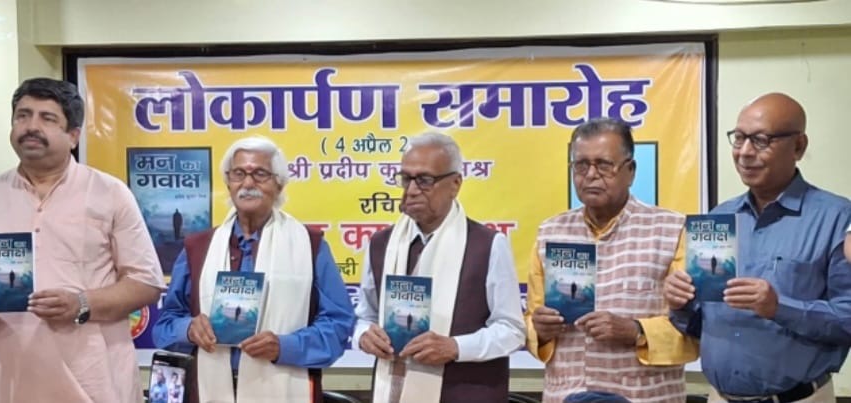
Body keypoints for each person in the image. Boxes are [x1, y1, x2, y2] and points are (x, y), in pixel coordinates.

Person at [0, 78, 164, 402]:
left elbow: (146, 282)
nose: (31, 127)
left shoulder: (109, 193)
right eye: (23, 116)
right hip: (2, 379)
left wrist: (82, 304)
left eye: (47, 118)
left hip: (90, 378)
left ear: (74, 135)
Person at [666, 93, 851, 403]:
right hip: (719, 397)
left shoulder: (838, 218)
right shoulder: (718, 217)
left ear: (798, 146)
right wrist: (680, 304)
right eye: (739, 138)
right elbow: (699, 324)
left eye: (761, 140)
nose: (745, 152)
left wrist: (779, 308)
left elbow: (847, 319)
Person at [153, 136, 355, 403]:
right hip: (208, 389)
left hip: (285, 388)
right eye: (239, 174)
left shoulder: (310, 245)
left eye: (260, 174)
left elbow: (339, 326)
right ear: (228, 182)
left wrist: (284, 347)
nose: (248, 183)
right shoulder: (198, 247)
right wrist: (188, 329)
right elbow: (165, 326)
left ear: (279, 183)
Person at [526, 118, 697, 403]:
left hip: (644, 396)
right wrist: (540, 331)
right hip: (565, 394)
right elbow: (531, 321)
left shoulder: (673, 230)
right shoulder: (550, 232)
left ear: (630, 171)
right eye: (581, 165)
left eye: (604, 165)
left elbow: (695, 331)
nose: (591, 175)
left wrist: (636, 331)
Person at [353, 132, 526, 403]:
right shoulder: (381, 244)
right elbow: (366, 315)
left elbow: (512, 330)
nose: (411, 190)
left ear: (455, 184)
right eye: (406, 179)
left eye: (424, 180)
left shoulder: (488, 245)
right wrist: (364, 335)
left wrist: (456, 347)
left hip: (466, 392)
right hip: (394, 389)